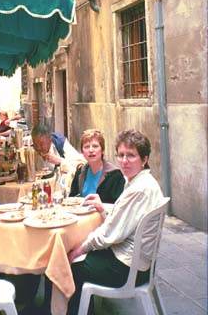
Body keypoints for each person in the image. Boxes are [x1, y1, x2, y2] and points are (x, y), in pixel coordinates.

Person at [66, 129, 165, 314]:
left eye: (131, 155)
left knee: (68, 265)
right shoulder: (142, 181)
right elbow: (125, 214)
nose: (124, 161)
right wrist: (103, 206)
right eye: (121, 155)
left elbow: (109, 235)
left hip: (124, 270)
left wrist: (79, 249)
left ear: (144, 159)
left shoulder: (139, 189)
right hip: (139, 265)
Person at [70, 129, 124, 203]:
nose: (91, 150)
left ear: (102, 150)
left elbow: (118, 206)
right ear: (82, 152)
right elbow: (71, 199)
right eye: (86, 147)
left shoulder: (115, 175)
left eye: (95, 146)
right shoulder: (80, 172)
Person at [31, 124, 85, 190]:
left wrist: (59, 161)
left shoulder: (60, 142)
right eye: (35, 144)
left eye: (41, 144)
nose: (38, 147)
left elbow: (81, 164)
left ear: (50, 139)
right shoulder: (31, 150)